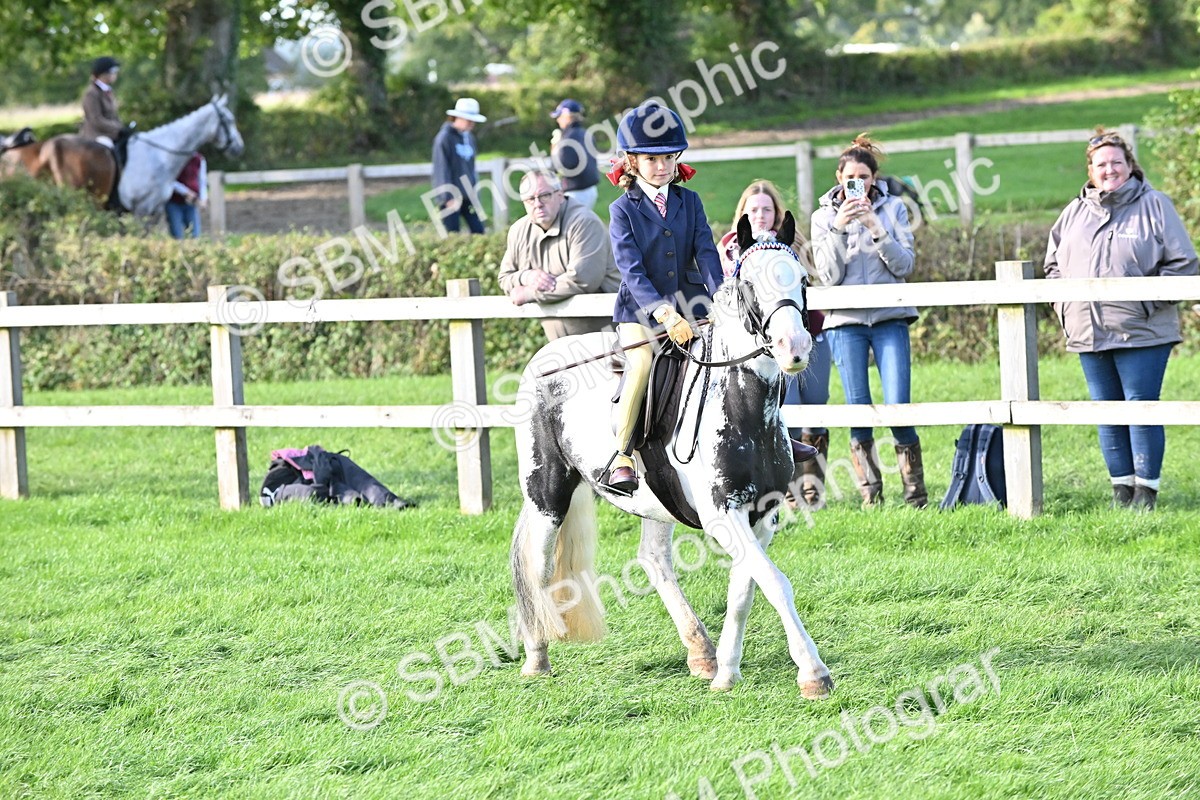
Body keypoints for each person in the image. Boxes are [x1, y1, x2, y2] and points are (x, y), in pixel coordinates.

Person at [1044, 129, 1199, 511]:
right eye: (1101, 164)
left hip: (1141, 330)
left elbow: (1183, 265)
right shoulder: (1074, 212)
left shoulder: (1156, 205)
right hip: (1087, 330)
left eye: (1116, 162)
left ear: (1130, 165)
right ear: (1090, 170)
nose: (1109, 169)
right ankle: (1121, 492)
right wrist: (1064, 307)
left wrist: (1145, 302)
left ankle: (1146, 493)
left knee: (1140, 406)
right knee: (1105, 410)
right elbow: (1052, 267)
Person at [604, 102, 725, 494]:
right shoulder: (622, 210)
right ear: (632, 161)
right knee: (640, 364)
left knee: (741, 351)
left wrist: (721, 296)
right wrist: (664, 312)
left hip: (694, 305)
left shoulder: (690, 202)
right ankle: (622, 455)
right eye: (653, 159)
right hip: (640, 310)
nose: (663, 167)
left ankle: (768, 430)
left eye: (670, 158)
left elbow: (706, 254)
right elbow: (631, 270)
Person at [811, 134, 926, 508]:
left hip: (890, 316)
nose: (856, 183)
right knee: (858, 407)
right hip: (846, 322)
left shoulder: (894, 210)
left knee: (897, 403)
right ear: (839, 178)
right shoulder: (822, 217)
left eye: (864, 176)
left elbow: (905, 265)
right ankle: (870, 495)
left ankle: (915, 493)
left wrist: (877, 228)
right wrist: (840, 229)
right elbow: (826, 276)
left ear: (873, 179)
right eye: (850, 177)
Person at [720, 179, 832, 510]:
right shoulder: (731, 249)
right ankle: (787, 489)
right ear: (743, 213)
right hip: (763, 343)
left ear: (776, 212)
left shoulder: (793, 244)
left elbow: (811, 280)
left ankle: (812, 488)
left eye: (767, 209)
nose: (760, 215)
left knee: (817, 404)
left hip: (806, 330)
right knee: (787, 409)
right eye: (753, 209)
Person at [497, 169, 620, 339]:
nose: (537, 204)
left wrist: (529, 294)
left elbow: (583, 280)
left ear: (560, 195)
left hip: (607, 335)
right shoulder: (518, 231)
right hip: (559, 342)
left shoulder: (584, 223)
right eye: (530, 199)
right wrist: (526, 277)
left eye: (544, 195)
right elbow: (504, 278)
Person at [431, 98, 487, 235]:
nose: (472, 124)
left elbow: (471, 168)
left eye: (473, 120)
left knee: (479, 231)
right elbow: (441, 168)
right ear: (458, 117)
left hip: (468, 196)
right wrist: (447, 196)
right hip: (450, 197)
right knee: (452, 235)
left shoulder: (470, 138)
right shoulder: (444, 138)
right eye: (469, 120)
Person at [549, 99, 601, 211]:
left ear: (567, 116)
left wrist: (554, 149)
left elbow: (560, 166)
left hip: (575, 193)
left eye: (559, 116)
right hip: (590, 190)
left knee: (572, 227)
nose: (558, 120)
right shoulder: (586, 133)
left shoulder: (567, 138)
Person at [81, 56, 123, 147]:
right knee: (108, 147)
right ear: (104, 74)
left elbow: (113, 115)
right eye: (114, 71)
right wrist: (118, 127)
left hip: (110, 133)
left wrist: (123, 127)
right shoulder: (92, 93)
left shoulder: (108, 91)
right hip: (96, 135)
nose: (116, 74)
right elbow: (96, 120)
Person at [165, 152, 207, 239]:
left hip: (191, 203)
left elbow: (202, 181)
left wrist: (203, 198)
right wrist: (185, 192)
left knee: (195, 234)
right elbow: (169, 180)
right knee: (177, 235)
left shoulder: (199, 159)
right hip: (174, 202)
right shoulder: (174, 158)